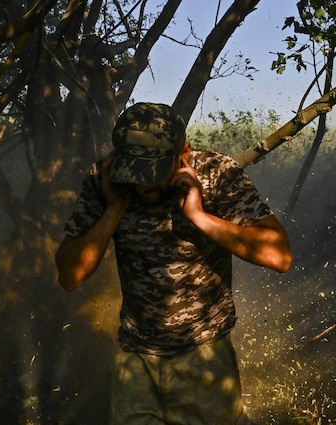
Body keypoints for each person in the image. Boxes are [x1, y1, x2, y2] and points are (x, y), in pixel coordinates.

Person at [55, 102, 293, 425]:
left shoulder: (216, 173)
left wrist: (199, 217)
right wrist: (113, 211)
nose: (142, 185)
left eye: (153, 173)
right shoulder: (106, 180)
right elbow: (70, 276)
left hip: (205, 357)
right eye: (134, 172)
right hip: (136, 360)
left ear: (184, 153)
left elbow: (279, 256)